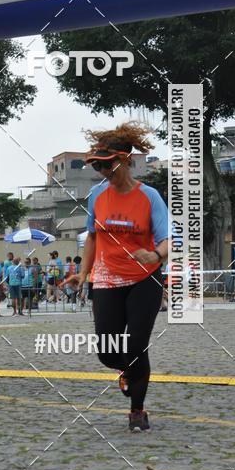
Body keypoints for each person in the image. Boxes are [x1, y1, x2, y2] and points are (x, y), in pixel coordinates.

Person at [72, 123, 168, 432]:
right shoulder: (97, 196)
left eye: (107, 164)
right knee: (107, 351)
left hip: (145, 279)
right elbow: (92, 236)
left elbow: (168, 239)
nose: (102, 171)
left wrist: (155, 255)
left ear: (125, 160)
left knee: (136, 346)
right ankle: (127, 370)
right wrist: (83, 273)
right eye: (97, 166)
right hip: (106, 278)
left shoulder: (150, 197)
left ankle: (137, 410)